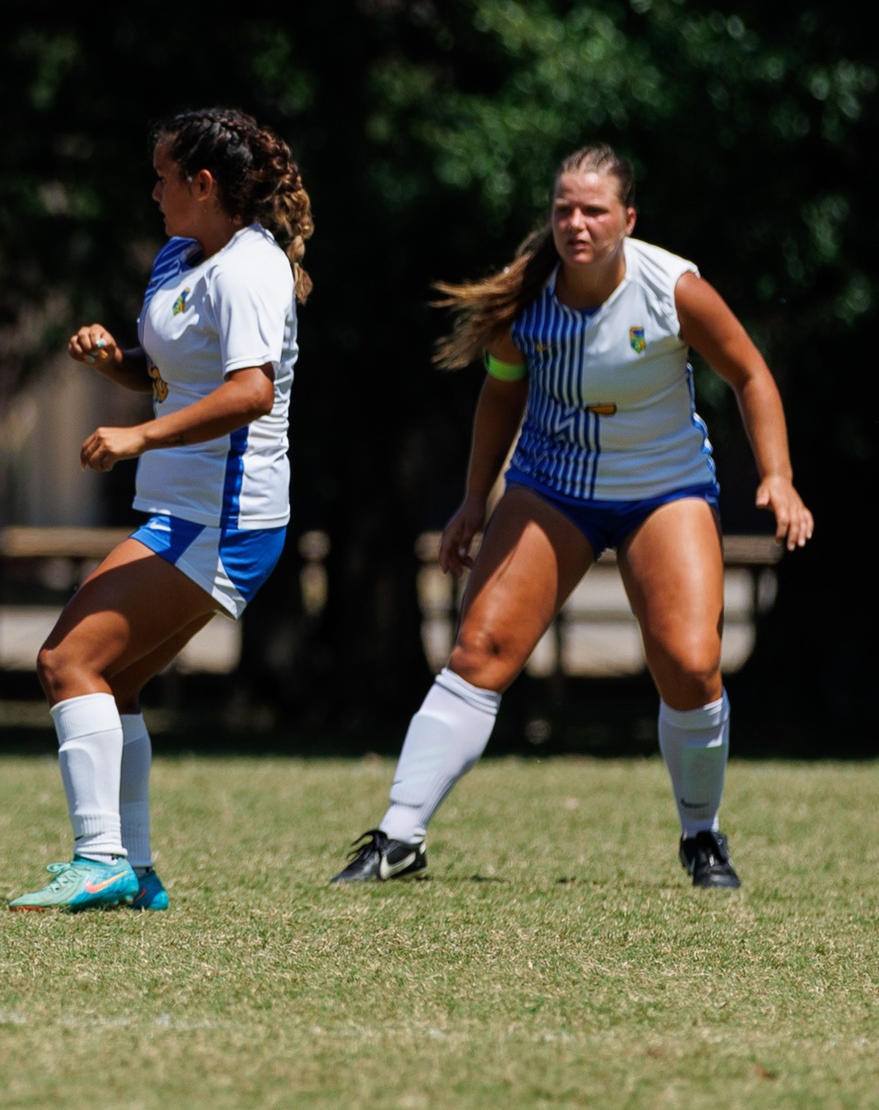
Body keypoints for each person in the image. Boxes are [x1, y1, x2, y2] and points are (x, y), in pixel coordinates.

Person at [334, 144, 812, 890]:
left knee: (689, 663)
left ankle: (701, 835)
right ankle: (398, 834)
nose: (575, 222)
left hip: (663, 487)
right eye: (562, 208)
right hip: (551, 485)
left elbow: (749, 371)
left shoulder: (671, 286)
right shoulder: (526, 299)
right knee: (478, 650)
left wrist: (778, 478)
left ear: (627, 218)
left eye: (592, 209)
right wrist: (471, 499)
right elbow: (499, 393)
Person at [8, 109, 312, 913]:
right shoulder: (182, 256)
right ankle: (134, 869)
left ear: (202, 185)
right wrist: (115, 363)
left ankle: (99, 858)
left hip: (224, 517)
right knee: (116, 679)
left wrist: (137, 435)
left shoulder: (250, 268)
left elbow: (250, 391)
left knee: (64, 662)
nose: (153, 191)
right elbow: (168, 374)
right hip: (184, 512)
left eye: (163, 177)